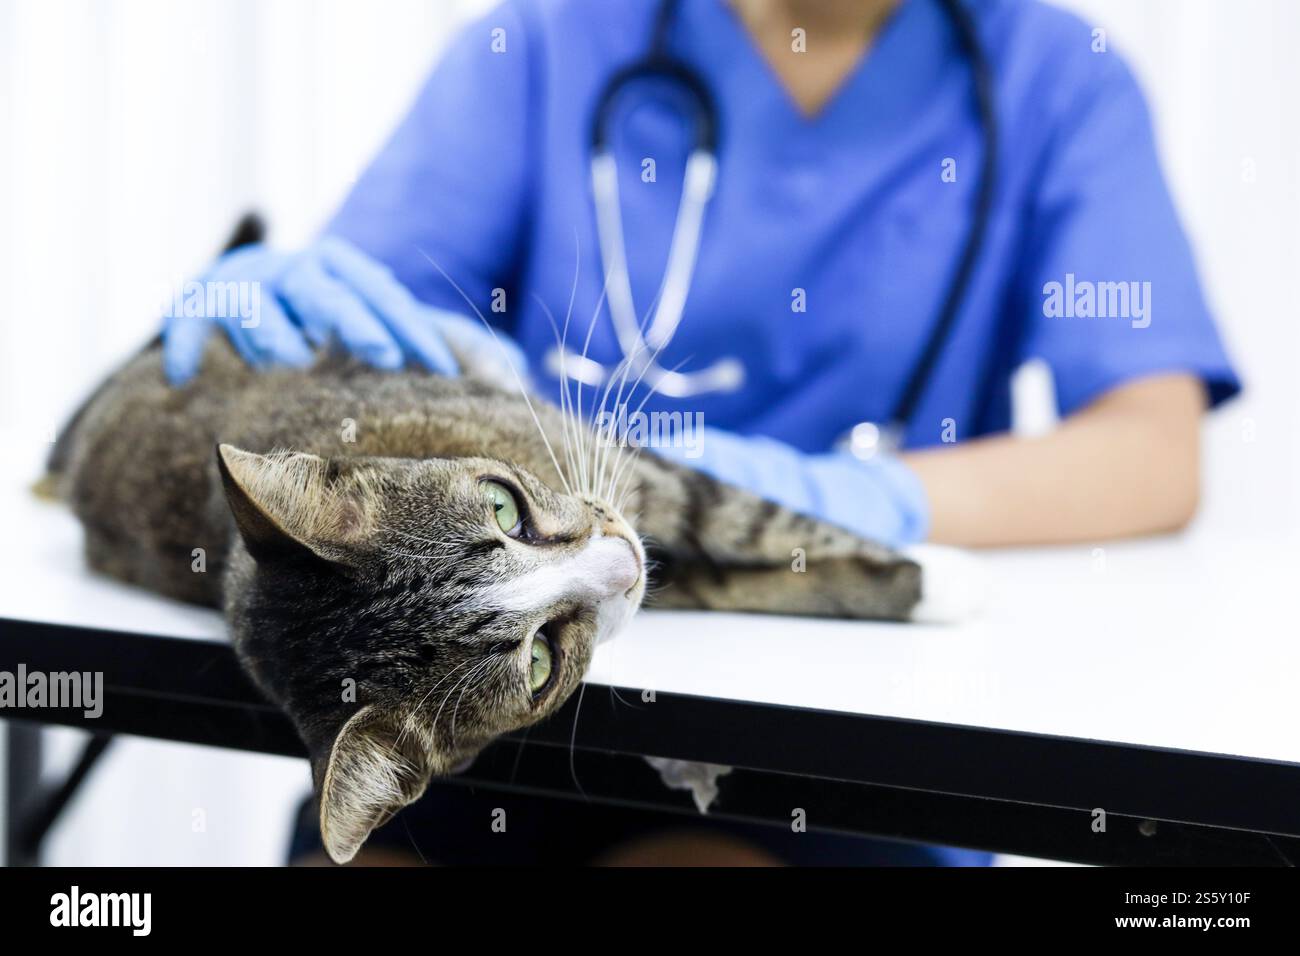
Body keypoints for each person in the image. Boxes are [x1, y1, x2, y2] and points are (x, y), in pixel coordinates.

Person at [167, 0, 1239, 865]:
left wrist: (853, 501)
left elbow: (1149, 448)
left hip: (827, 740)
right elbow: (352, 337)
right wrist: (272, 307)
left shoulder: (1055, 74)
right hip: (494, 707)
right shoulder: (545, 40)